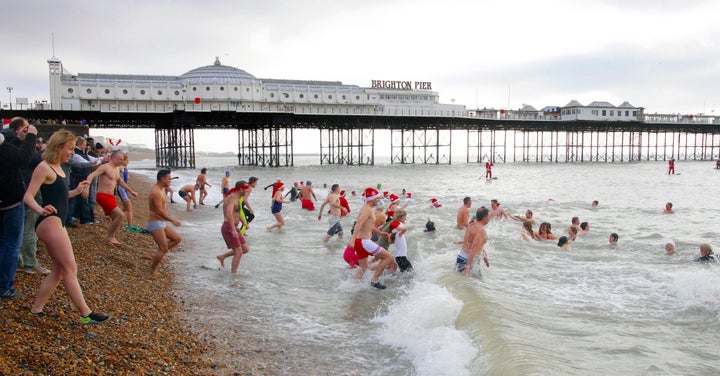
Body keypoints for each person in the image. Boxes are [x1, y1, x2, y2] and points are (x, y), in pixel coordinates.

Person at [23, 130, 110, 324]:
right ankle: (86, 314)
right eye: (70, 148)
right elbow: (28, 196)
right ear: (58, 147)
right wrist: (41, 209)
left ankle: (36, 309)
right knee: (70, 267)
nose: (72, 152)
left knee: (59, 269)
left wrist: (77, 191)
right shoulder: (44, 167)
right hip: (49, 222)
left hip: (57, 222)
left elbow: (61, 197)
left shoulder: (59, 167)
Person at [0, 117, 38, 298]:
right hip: (10, 203)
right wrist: (31, 137)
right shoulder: (3, 149)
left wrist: (19, 140)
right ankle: (5, 286)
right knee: (12, 244)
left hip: (6, 201)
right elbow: (22, 159)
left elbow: (9, 154)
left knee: (4, 243)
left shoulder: (5, 148)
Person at [84, 149, 138, 246]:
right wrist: (86, 189)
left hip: (110, 196)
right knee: (120, 215)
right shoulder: (105, 167)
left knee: (115, 218)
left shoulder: (117, 169)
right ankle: (110, 237)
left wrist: (131, 191)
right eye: (120, 159)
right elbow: (91, 176)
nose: (121, 161)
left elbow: (120, 182)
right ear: (112, 158)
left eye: (122, 159)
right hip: (102, 196)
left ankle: (111, 237)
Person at [353, 187, 398, 289]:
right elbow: (359, 223)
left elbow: (369, 226)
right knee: (388, 257)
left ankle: (351, 285)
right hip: (363, 241)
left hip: (360, 242)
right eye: (377, 198)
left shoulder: (366, 208)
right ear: (372, 199)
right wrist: (352, 239)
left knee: (364, 268)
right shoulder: (367, 210)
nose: (378, 200)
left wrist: (380, 233)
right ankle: (375, 279)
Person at [148, 169, 182, 274]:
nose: (170, 181)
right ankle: (153, 269)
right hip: (155, 223)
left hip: (161, 222)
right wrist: (172, 220)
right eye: (169, 179)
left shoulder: (161, 189)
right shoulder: (156, 192)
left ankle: (158, 254)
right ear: (162, 179)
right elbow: (158, 210)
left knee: (177, 239)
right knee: (163, 248)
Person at [216, 181, 251, 273]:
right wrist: (232, 229)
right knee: (238, 252)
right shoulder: (232, 198)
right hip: (228, 227)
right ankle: (233, 276)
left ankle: (222, 256)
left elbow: (237, 212)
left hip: (234, 227)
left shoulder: (237, 197)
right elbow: (228, 213)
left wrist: (244, 223)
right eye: (245, 189)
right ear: (240, 189)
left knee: (245, 249)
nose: (247, 191)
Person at [456, 207, 490, 275]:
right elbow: (473, 249)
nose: (489, 218)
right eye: (488, 216)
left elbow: (473, 243)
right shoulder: (481, 231)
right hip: (469, 260)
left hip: (461, 256)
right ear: (484, 217)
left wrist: (484, 256)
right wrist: (468, 265)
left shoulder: (471, 225)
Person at [116, 151, 133, 226]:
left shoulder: (125, 168)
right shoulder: (120, 168)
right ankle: (130, 225)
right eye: (127, 161)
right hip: (121, 189)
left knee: (126, 208)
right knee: (129, 208)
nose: (128, 162)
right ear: (122, 161)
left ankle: (113, 215)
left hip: (124, 189)